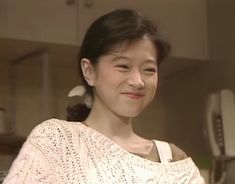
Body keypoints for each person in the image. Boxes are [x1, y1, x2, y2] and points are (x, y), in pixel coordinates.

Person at [3, 9, 205, 183]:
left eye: (149, 70)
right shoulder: (56, 140)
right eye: (123, 66)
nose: (138, 81)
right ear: (89, 71)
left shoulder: (173, 159)